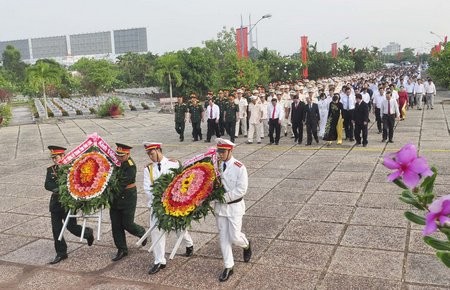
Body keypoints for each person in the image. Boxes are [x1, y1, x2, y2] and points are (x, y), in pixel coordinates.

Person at [142, 142, 194, 275]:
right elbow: (147, 188)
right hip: (157, 205)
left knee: (179, 229)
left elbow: (182, 183)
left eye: (152, 153)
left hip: (174, 204)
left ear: (159, 150)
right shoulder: (148, 169)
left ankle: (188, 244)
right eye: (148, 154)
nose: (150, 157)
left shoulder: (173, 164)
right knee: (156, 232)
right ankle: (159, 261)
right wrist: (160, 200)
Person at [45, 146, 94, 264]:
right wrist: (59, 190)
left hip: (69, 205)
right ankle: (61, 253)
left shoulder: (72, 168)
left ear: (63, 156)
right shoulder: (51, 169)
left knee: (72, 227)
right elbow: (47, 184)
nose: (55, 160)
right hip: (56, 204)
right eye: (53, 158)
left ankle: (88, 233)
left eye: (56, 157)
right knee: (56, 230)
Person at [214, 138, 251, 282]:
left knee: (235, 237)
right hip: (220, 208)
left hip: (234, 207)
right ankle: (228, 266)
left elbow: (241, 190)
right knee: (223, 237)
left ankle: (246, 245)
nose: (220, 154)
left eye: (223, 151)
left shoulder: (239, 167)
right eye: (219, 151)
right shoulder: (216, 165)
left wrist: (222, 197)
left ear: (230, 150)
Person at [110, 143, 147, 261]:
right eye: (118, 155)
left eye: (121, 156)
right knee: (116, 225)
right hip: (115, 199)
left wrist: (110, 191)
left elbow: (122, 183)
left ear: (127, 154)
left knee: (127, 223)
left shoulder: (130, 166)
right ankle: (121, 249)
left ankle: (141, 232)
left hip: (127, 197)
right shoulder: (116, 163)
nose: (119, 158)